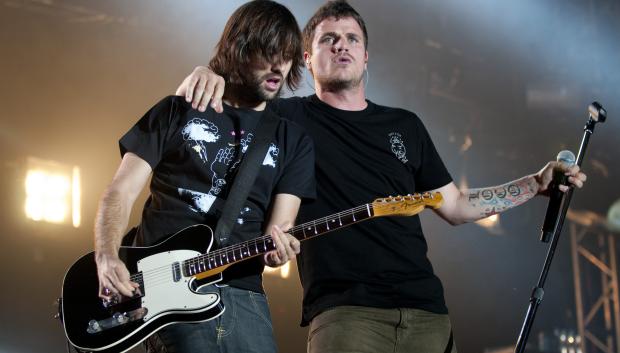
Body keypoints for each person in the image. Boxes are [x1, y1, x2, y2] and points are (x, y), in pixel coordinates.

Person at [175, 1, 587, 352]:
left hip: (428, 313)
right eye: (328, 39)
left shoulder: (404, 125)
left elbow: (457, 207)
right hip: (344, 315)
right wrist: (211, 73)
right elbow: (222, 110)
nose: (342, 46)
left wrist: (536, 183)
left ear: (366, 56)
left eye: (352, 39)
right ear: (305, 58)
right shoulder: (287, 118)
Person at [93, 1, 315, 353]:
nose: (278, 65)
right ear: (238, 49)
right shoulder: (178, 110)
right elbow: (119, 192)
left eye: (286, 55)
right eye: (268, 52)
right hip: (166, 288)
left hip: (244, 294)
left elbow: (282, 226)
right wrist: (106, 256)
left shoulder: (293, 139)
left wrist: (279, 249)